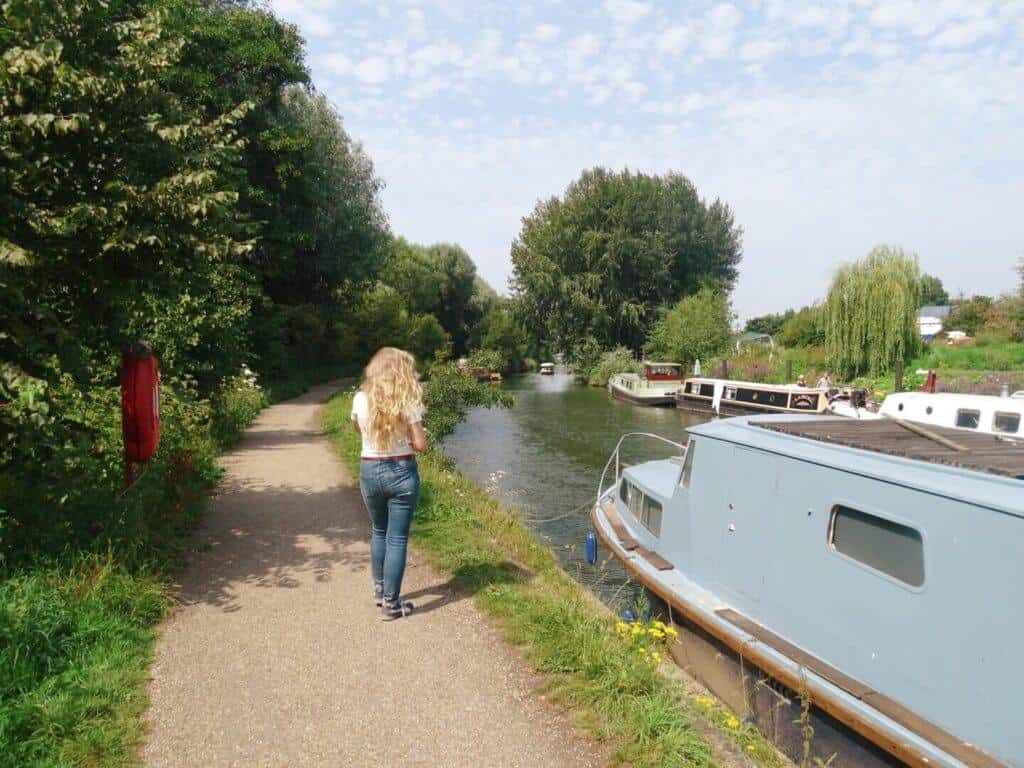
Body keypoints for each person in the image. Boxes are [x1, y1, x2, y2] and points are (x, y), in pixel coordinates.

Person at [351, 347, 428, 620]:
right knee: (397, 538)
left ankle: (379, 591)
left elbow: (358, 429)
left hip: (370, 469)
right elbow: (420, 445)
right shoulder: (407, 401)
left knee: (379, 530)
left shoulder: (360, 399)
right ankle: (391, 605)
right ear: (401, 371)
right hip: (402, 472)